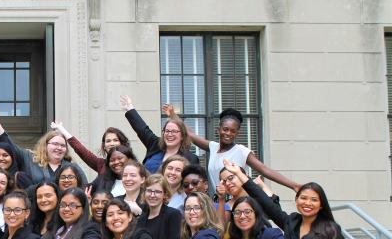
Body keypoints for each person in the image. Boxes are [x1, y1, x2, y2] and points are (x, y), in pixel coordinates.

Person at [166, 105, 300, 192]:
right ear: (219, 130)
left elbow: (264, 169)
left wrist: (293, 185)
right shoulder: (213, 147)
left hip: (238, 202)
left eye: (232, 131)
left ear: (237, 133)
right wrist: (173, 115)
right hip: (220, 201)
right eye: (225, 129)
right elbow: (189, 134)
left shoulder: (241, 151)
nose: (228, 133)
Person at [0, 103, 87, 186]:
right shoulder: (30, 159)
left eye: (63, 145)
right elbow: (9, 146)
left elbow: (85, 188)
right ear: (45, 146)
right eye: (55, 144)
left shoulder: (71, 166)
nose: (59, 148)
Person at [119, 95, 199, 173]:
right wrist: (130, 108)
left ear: (182, 136)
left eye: (174, 131)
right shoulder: (155, 144)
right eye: (167, 131)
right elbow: (142, 129)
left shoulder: (191, 158)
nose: (169, 134)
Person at [52, 121, 136, 176]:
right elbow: (81, 150)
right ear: (104, 146)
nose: (112, 144)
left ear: (122, 143)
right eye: (108, 141)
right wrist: (61, 129)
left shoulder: (132, 163)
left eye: (115, 140)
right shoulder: (100, 164)